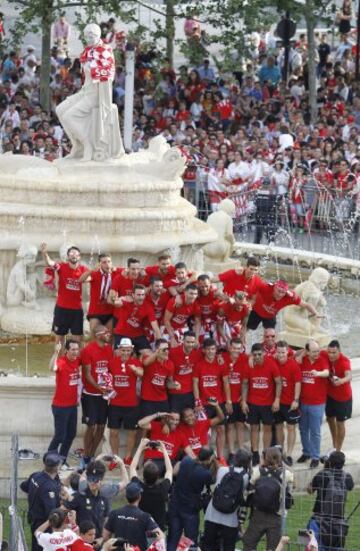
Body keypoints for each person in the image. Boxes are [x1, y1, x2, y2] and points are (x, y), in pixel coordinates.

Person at [56, 23, 124, 161]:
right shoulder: (88, 50)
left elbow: (108, 73)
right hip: (85, 91)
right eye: (87, 36)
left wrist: (90, 68)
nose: (89, 38)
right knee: (59, 109)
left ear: (99, 35)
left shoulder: (105, 50)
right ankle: (77, 145)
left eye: (92, 35)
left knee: (69, 116)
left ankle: (87, 145)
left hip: (96, 95)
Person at [243, 447, 294, 551]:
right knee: (273, 547)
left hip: (258, 514)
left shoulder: (258, 472)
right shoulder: (286, 474)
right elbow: (293, 483)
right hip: (276, 516)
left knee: (249, 543)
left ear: (264, 458)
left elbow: (249, 489)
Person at [167, 448, 218, 551]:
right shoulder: (205, 474)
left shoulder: (186, 460)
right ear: (210, 458)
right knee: (191, 541)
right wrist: (214, 464)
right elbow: (212, 480)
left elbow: (175, 470)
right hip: (190, 510)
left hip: (175, 505)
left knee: (173, 538)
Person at [41, 243, 87, 352]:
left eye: (76, 253)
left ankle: (77, 364)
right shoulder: (61, 266)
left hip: (76, 310)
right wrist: (44, 253)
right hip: (62, 308)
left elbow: (89, 278)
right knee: (59, 339)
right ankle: (60, 363)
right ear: (68, 256)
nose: (74, 255)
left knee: (77, 339)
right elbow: (49, 263)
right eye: (71, 253)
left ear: (79, 257)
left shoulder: (83, 269)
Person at [202, 448, 252, 551]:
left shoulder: (222, 470)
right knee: (228, 547)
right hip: (230, 517)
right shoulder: (245, 476)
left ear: (235, 458)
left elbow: (216, 486)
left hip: (212, 513)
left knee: (208, 545)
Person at [241, 343, 281, 466]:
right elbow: (245, 384)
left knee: (267, 428)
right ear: (252, 355)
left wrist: (277, 400)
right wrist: (243, 401)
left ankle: (266, 453)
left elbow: (278, 382)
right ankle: (255, 453)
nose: (257, 357)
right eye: (255, 354)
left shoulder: (271, 363)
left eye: (259, 354)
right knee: (254, 428)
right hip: (253, 403)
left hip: (268, 403)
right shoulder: (249, 365)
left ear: (263, 353)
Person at [193, 338, 232, 463]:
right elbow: (195, 383)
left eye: (213, 349)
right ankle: (206, 457)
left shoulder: (221, 363)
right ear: (204, 350)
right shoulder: (198, 365)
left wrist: (228, 401)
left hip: (218, 402)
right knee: (204, 431)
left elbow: (226, 382)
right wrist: (197, 401)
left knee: (221, 429)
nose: (211, 351)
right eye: (208, 349)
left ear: (216, 350)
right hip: (204, 403)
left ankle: (220, 457)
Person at [308, 451, 354, 551]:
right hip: (339, 523)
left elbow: (309, 490)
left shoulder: (322, 475)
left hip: (319, 519)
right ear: (343, 463)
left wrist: (325, 468)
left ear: (329, 462)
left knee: (315, 547)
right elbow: (351, 487)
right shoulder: (347, 477)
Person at [80, 325, 113, 467]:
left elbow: (109, 370)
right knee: (91, 426)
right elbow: (87, 374)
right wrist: (100, 388)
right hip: (90, 394)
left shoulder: (108, 349)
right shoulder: (88, 350)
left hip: (103, 395)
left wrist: (109, 386)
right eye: (106, 333)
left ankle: (90, 455)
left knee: (101, 426)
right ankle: (85, 457)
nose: (109, 335)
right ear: (98, 334)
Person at [108, 338, 143, 463]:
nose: (125, 353)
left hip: (131, 404)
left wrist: (134, 369)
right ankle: (115, 458)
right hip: (115, 404)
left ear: (131, 350)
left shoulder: (136, 362)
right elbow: (105, 377)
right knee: (113, 432)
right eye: (123, 350)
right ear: (119, 350)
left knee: (132, 433)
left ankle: (128, 457)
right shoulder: (112, 362)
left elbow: (142, 374)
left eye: (128, 350)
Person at [103, 481, 164, 551]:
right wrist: (148, 534)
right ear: (139, 497)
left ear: (126, 497)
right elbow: (160, 536)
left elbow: (105, 536)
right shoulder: (145, 517)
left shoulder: (114, 513)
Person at [48, 340, 81, 468]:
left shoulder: (77, 360)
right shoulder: (62, 361)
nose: (75, 352)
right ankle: (49, 459)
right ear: (67, 350)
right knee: (60, 436)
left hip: (72, 406)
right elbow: (52, 368)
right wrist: (55, 352)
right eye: (73, 349)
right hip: (60, 407)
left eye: (77, 349)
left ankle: (61, 459)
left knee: (71, 434)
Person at [20, 453, 62, 551]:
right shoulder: (49, 487)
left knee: (35, 546)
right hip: (44, 524)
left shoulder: (36, 475)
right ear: (57, 468)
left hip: (34, 518)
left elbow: (23, 486)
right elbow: (51, 512)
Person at [297, 340, 329, 468]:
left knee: (315, 431)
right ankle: (306, 452)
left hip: (317, 403)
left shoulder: (321, 359)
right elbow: (289, 355)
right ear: (307, 351)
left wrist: (318, 373)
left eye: (318, 350)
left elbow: (327, 372)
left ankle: (315, 456)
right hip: (303, 402)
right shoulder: (302, 360)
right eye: (314, 351)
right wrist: (300, 354)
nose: (317, 353)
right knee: (303, 429)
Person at [129, 438, 173, 531]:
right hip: (158, 530)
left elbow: (132, 468)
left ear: (143, 476)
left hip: (141, 528)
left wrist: (140, 448)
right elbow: (169, 470)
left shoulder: (138, 488)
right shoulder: (163, 489)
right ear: (157, 477)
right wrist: (164, 450)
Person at [247, 279, 321, 330]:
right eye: (278, 291)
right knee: (246, 327)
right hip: (256, 311)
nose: (280, 294)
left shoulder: (290, 297)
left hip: (270, 316)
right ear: (274, 288)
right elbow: (252, 286)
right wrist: (249, 300)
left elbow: (306, 305)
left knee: (270, 333)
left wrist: (316, 313)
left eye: (283, 292)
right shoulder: (266, 287)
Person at [64, 461, 110, 540]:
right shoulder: (78, 497)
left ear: (101, 480)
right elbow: (61, 514)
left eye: (95, 480)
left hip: (98, 542)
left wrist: (102, 539)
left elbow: (106, 522)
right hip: (81, 543)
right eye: (90, 479)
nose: (92, 482)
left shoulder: (104, 498)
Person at [274, 341, 302, 466]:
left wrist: (296, 400)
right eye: (279, 352)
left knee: (291, 428)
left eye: (283, 352)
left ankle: (289, 454)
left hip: (290, 402)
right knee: (279, 427)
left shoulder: (293, 364)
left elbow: (298, 383)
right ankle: (281, 451)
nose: (281, 355)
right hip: (277, 402)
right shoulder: (273, 361)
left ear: (287, 352)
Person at [112, 284, 161, 354]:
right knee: (118, 354)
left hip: (138, 335)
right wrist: (116, 300)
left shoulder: (148, 307)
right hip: (122, 334)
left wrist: (160, 342)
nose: (141, 297)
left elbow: (155, 326)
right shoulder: (126, 301)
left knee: (150, 354)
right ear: (133, 295)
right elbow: (118, 303)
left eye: (142, 295)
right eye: (138, 295)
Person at [322, 340, 352, 452]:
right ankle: (335, 443)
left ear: (339, 351)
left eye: (334, 352)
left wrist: (342, 380)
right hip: (330, 395)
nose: (331, 355)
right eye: (329, 352)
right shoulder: (325, 354)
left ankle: (338, 451)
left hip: (343, 398)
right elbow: (312, 348)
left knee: (340, 423)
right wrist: (302, 354)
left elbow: (349, 375)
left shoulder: (344, 361)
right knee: (330, 419)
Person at [220, 338, 247, 458]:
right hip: (227, 399)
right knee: (229, 426)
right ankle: (231, 452)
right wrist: (227, 400)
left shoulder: (246, 358)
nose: (236, 350)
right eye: (234, 348)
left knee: (240, 424)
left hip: (240, 399)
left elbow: (248, 380)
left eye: (239, 348)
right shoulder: (222, 358)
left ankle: (241, 450)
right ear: (229, 347)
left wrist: (244, 397)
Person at [79, 253, 118, 333]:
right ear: (99, 264)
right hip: (95, 311)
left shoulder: (116, 273)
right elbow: (81, 280)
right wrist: (91, 270)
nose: (107, 264)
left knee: (109, 336)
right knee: (95, 335)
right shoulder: (94, 274)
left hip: (111, 311)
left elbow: (128, 271)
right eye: (104, 262)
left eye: (109, 261)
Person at [140, 339, 178, 416]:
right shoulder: (149, 359)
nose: (167, 351)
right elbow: (145, 363)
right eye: (164, 349)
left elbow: (168, 383)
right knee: (147, 425)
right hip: (148, 400)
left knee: (164, 424)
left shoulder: (170, 364)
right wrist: (156, 353)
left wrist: (175, 385)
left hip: (162, 400)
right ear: (157, 350)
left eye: (168, 349)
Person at [168, 330, 202, 412]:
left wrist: (219, 356)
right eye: (188, 342)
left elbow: (210, 353)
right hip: (175, 393)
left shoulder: (198, 353)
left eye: (192, 342)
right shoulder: (172, 352)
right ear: (183, 340)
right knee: (176, 419)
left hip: (191, 392)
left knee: (190, 418)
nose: (190, 345)